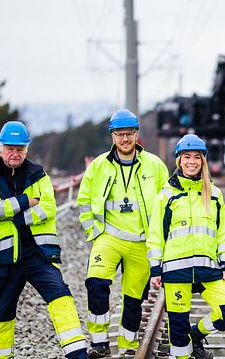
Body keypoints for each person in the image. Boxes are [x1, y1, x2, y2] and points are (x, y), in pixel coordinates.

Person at [0, 121, 87, 359]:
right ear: (0, 148)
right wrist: (24, 201)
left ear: (26, 149)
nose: (14, 153)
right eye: (10, 148)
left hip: (40, 254)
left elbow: (47, 208)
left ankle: (79, 355)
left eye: (19, 148)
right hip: (5, 258)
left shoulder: (39, 175)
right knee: (2, 313)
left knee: (62, 296)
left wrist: (11, 215)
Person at [76, 109, 169, 358]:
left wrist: (158, 243)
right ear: (112, 136)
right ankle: (98, 342)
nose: (125, 139)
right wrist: (94, 232)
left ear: (137, 134)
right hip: (108, 238)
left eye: (129, 134)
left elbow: (167, 204)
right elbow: (83, 201)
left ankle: (128, 345)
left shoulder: (155, 166)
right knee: (96, 284)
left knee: (133, 299)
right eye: (120, 134)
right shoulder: (98, 166)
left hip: (141, 242)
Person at [147, 134, 225, 359]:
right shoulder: (166, 196)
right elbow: (155, 235)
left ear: (203, 160)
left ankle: (196, 334)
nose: (192, 161)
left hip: (208, 270)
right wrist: (155, 269)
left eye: (197, 157)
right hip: (176, 271)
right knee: (177, 333)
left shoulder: (215, 194)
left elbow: (223, 233)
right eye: (187, 156)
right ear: (179, 160)